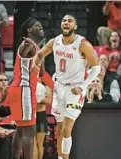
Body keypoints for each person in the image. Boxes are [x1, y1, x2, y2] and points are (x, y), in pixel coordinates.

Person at [27, 14, 101, 159]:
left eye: (70, 21)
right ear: (61, 25)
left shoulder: (83, 44)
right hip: (59, 88)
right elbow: (39, 54)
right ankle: (61, 157)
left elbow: (96, 68)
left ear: (75, 26)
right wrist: (35, 66)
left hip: (75, 89)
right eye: (64, 21)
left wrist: (83, 86)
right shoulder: (55, 42)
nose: (66, 23)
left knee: (67, 129)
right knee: (60, 128)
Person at [8, 17, 54, 159]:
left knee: (21, 130)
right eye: (37, 26)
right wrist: (26, 47)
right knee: (29, 131)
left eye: (41, 26)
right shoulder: (27, 45)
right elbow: (23, 50)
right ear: (29, 30)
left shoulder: (37, 48)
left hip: (21, 90)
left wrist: (55, 86)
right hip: (24, 90)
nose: (41, 28)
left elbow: (42, 73)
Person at [33, 79, 52, 159]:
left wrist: (37, 98)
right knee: (32, 143)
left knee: (39, 144)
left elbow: (48, 101)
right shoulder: (29, 84)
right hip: (30, 115)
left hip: (40, 115)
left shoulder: (46, 87)